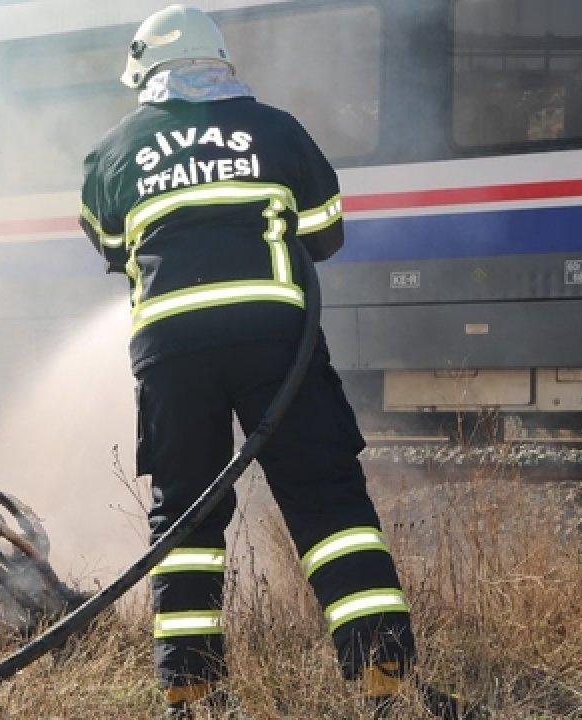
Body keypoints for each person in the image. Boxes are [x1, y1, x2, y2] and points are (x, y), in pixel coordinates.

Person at [78, 5, 471, 718]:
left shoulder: (112, 151)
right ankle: (383, 676)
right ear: (220, 62)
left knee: (186, 520)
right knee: (328, 502)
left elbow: (111, 248)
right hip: (277, 345)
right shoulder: (276, 128)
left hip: (171, 353)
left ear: (146, 71)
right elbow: (324, 233)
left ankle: (191, 693)